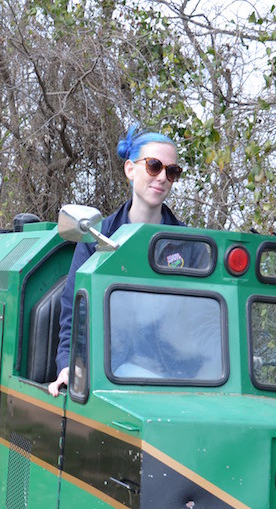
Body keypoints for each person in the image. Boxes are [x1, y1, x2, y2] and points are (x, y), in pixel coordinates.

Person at [47, 126, 185, 396]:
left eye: (172, 171)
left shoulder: (188, 244)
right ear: (130, 169)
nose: (163, 178)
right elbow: (73, 314)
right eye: (154, 166)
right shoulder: (97, 237)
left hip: (176, 379)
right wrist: (68, 366)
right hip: (110, 377)